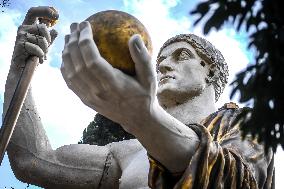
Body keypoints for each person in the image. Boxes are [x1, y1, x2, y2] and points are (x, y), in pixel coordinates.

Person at [3, 6, 274, 189]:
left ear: (210, 72)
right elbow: (34, 161)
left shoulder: (244, 123)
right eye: (161, 61)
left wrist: (140, 116)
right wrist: (19, 68)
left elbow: (235, 180)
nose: (165, 66)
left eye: (182, 55)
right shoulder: (129, 151)